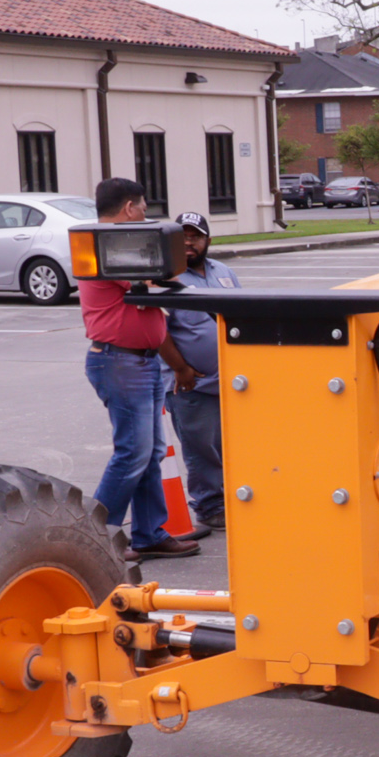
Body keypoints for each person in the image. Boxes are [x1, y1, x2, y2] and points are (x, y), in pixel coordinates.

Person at [81, 178, 201, 561]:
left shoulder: (119, 246)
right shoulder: (110, 246)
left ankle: (149, 534)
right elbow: (157, 280)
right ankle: (98, 538)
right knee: (132, 452)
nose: (146, 215)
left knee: (149, 453)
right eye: (144, 208)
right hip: (119, 361)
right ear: (130, 208)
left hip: (139, 362)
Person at [163, 211, 241, 531]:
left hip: (231, 379)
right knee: (200, 447)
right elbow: (158, 331)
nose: (188, 242)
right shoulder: (167, 278)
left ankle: (234, 499)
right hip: (191, 383)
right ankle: (209, 506)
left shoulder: (224, 272)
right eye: (181, 237)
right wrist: (181, 369)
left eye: (194, 236)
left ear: (208, 240)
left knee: (230, 444)